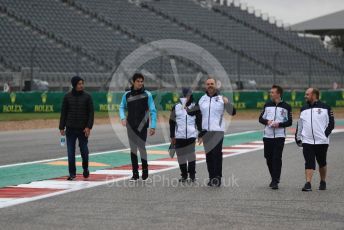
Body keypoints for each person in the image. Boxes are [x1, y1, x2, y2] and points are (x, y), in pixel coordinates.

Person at [187, 77, 236, 187]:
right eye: (208, 84)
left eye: (212, 83)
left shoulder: (221, 98)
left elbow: (233, 112)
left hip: (218, 131)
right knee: (209, 155)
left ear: (215, 85)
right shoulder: (202, 99)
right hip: (206, 132)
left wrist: (227, 103)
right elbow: (193, 113)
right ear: (205, 86)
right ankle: (211, 177)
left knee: (216, 154)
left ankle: (218, 177)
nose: (210, 85)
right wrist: (187, 105)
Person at [119, 73, 157, 182]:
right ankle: (135, 174)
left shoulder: (147, 94)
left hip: (143, 126)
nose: (140, 83)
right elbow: (121, 107)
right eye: (138, 81)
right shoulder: (127, 95)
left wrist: (153, 126)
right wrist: (122, 118)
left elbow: (153, 111)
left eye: (142, 81)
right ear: (133, 82)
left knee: (141, 147)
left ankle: (145, 171)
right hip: (130, 126)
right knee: (133, 150)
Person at [295, 88, 335, 191]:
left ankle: (323, 181)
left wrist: (324, 135)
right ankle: (308, 183)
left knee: (322, 162)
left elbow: (331, 124)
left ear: (314, 95)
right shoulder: (303, 109)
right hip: (307, 141)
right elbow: (300, 124)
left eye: (307, 94)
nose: (305, 96)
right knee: (309, 162)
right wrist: (298, 137)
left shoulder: (326, 108)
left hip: (322, 141)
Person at [59, 76, 94, 181]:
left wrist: (88, 127)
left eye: (82, 83)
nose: (81, 85)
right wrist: (61, 127)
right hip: (70, 129)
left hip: (83, 129)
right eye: (79, 84)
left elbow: (91, 113)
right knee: (70, 152)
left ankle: (85, 168)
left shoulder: (88, 97)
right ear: (74, 85)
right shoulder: (67, 97)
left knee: (84, 151)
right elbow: (63, 113)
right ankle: (72, 173)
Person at [259, 85, 292, 190]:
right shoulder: (267, 105)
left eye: (272, 92)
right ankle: (274, 177)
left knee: (277, 158)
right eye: (270, 92)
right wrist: (267, 121)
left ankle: (275, 180)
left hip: (279, 136)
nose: (271, 94)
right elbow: (260, 118)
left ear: (278, 94)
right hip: (267, 136)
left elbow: (289, 122)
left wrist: (279, 124)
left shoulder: (287, 106)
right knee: (268, 158)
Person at [169, 88, 202, 182]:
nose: (186, 97)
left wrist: (200, 133)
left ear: (191, 96)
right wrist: (172, 136)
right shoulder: (176, 107)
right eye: (184, 95)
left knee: (191, 155)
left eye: (188, 95)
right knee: (181, 157)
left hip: (191, 135)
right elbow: (171, 122)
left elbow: (199, 120)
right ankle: (184, 175)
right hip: (179, 136)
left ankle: (192, 175)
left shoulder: (195, 106)